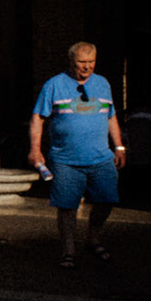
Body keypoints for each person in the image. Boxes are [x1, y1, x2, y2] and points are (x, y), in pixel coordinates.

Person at [29, 41, 124, 269]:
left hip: (101, 157)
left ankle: (93, 238)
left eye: (91, 62)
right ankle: (68, 250)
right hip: (65, 159)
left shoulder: (102, 84)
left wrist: (119, 146)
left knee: (107, 200)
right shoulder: (53, 85)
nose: (87, 67)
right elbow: (37, 119)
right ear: (71, 61)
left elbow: (111, 116)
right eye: (82, 62)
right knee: (67, 206)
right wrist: (35, 149)